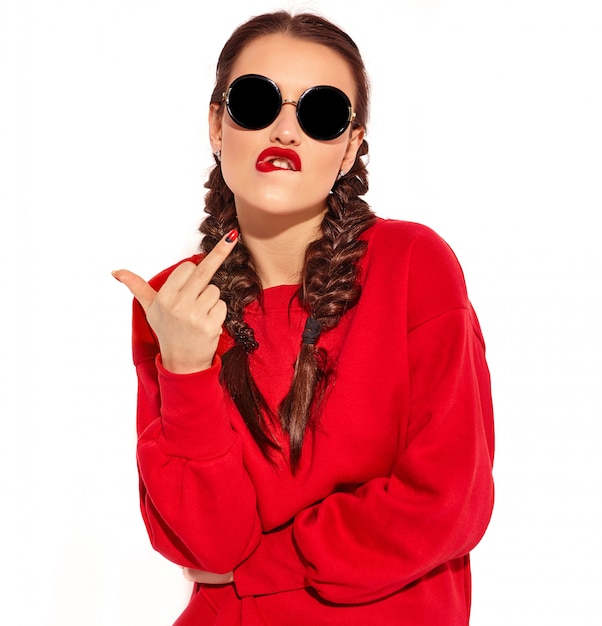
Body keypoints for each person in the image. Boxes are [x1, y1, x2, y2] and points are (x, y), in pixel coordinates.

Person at [113, 10, 495, 625]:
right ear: (217, 125)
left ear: (349, 146)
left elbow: (446, 503)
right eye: (257, 102)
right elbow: (204, 546)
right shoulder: (174, 302)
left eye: (319, 115)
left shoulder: (413, 267)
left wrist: (263, 570)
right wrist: (184, 368)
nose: (285, 131)